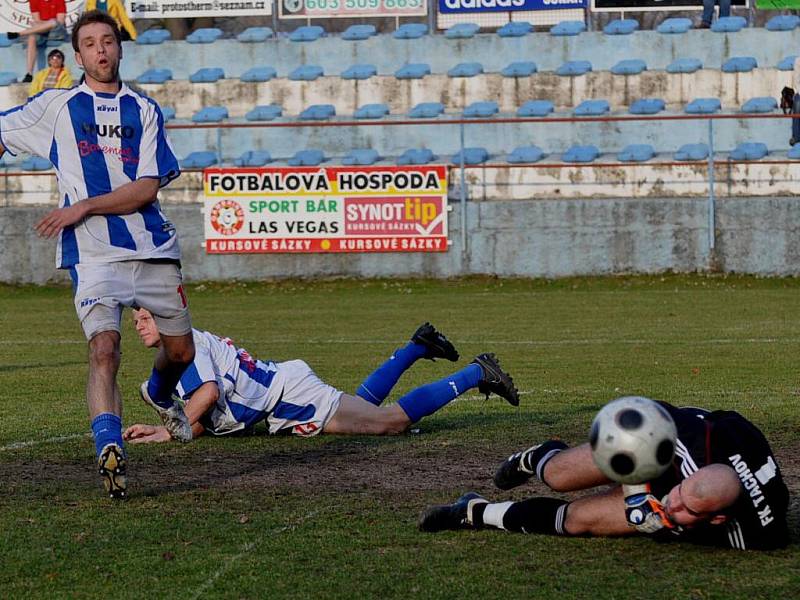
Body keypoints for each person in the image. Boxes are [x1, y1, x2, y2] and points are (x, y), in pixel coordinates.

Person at [0, 10, 196, 500]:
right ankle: (111, 452)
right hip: (93, 258)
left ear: (120, 48)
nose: (100, 50)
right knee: (103, 348)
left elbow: (146, 189)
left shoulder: (145, 110)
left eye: (107, 41)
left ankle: (158, 392)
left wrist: (82, 206)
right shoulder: (57, 107)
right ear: (79, 54)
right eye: (89, 44)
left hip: (151, 248)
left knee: (180, 353)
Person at [419, 401, 790, 550]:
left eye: (684, 507)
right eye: (678, 493)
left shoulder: (760, 533)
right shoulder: (689, 439)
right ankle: (540, 457)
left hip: (692, 469)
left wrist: (666, 523)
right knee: (559, 477)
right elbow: (633, 414)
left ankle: (473, 511)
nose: (671, 501)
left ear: (719, 518)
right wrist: (636, 494)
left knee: (579, 520)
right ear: (692, 474)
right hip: (646, 441)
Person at [123, 310, 520, 443]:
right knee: (366, 408)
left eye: (144, 318)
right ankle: (416, 347)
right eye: (135, 319)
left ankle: (476, 372)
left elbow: (207, 393)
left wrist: (171, 429)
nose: (138, 325)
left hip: (288, 397)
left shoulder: (183, 347)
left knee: (389, 424)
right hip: (285, 391)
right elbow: (206, 415)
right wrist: (168, 430)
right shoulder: (179, 350)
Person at [8, 0, 68, 83]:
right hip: (42, 31)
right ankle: (29, 73)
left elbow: (60, 21)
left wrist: (43, 24)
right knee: (32, 37)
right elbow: (36, 20)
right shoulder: (34, 1)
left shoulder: (59, 1)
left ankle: (20, 34)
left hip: (57, 31)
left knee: (53, 22)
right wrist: (44, 25)